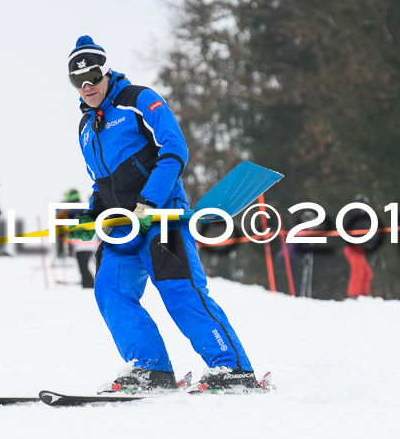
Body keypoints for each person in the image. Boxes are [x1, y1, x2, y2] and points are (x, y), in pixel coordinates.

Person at [65, 36, 257, 393]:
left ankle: (232, 368)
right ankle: (151, 369)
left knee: (178, 289)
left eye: (92, 75)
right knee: (109, 290)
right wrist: (90, 215)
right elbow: (101, 183)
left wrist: (149, 204)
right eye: (78, 81)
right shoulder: (85, 128)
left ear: (106, 72)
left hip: (160, 218)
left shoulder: (139, 101)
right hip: (122, 228)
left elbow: (174, 149)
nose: (87, 86)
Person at [343, 194, 374, 297]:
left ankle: (364, 294)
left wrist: (372, 240)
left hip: (358, 247)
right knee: (358, 271)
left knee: (366, 272)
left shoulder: (360, 217)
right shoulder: (354, 215)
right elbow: (358, 233)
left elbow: (362, 235)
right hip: (353, 248)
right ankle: (353, 294)